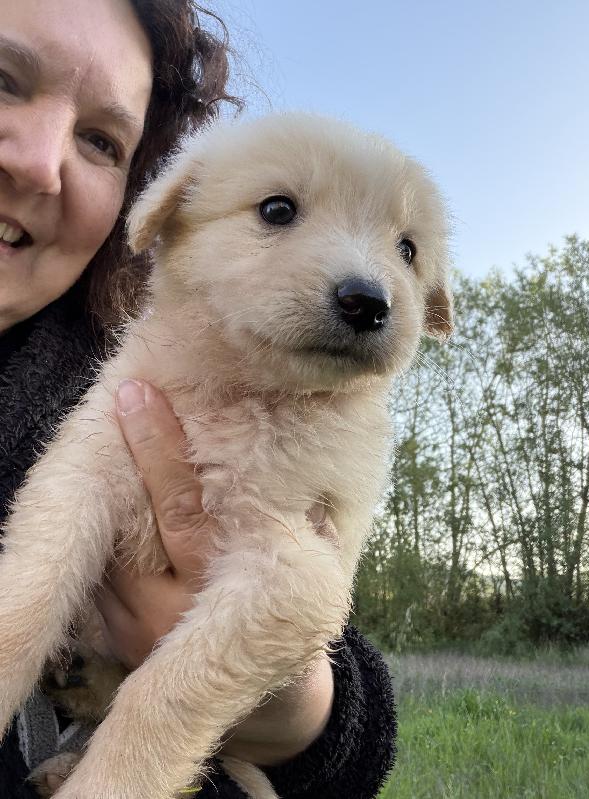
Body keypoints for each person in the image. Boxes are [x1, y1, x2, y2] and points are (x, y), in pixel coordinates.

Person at [0, 1, 397, 797]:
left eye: (101, 141)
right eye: (4, 81)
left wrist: (307, 718)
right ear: (172, 216)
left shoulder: (85, 363)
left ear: (137, 202)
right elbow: (52, 544)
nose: (42, 164)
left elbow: (317, 648)